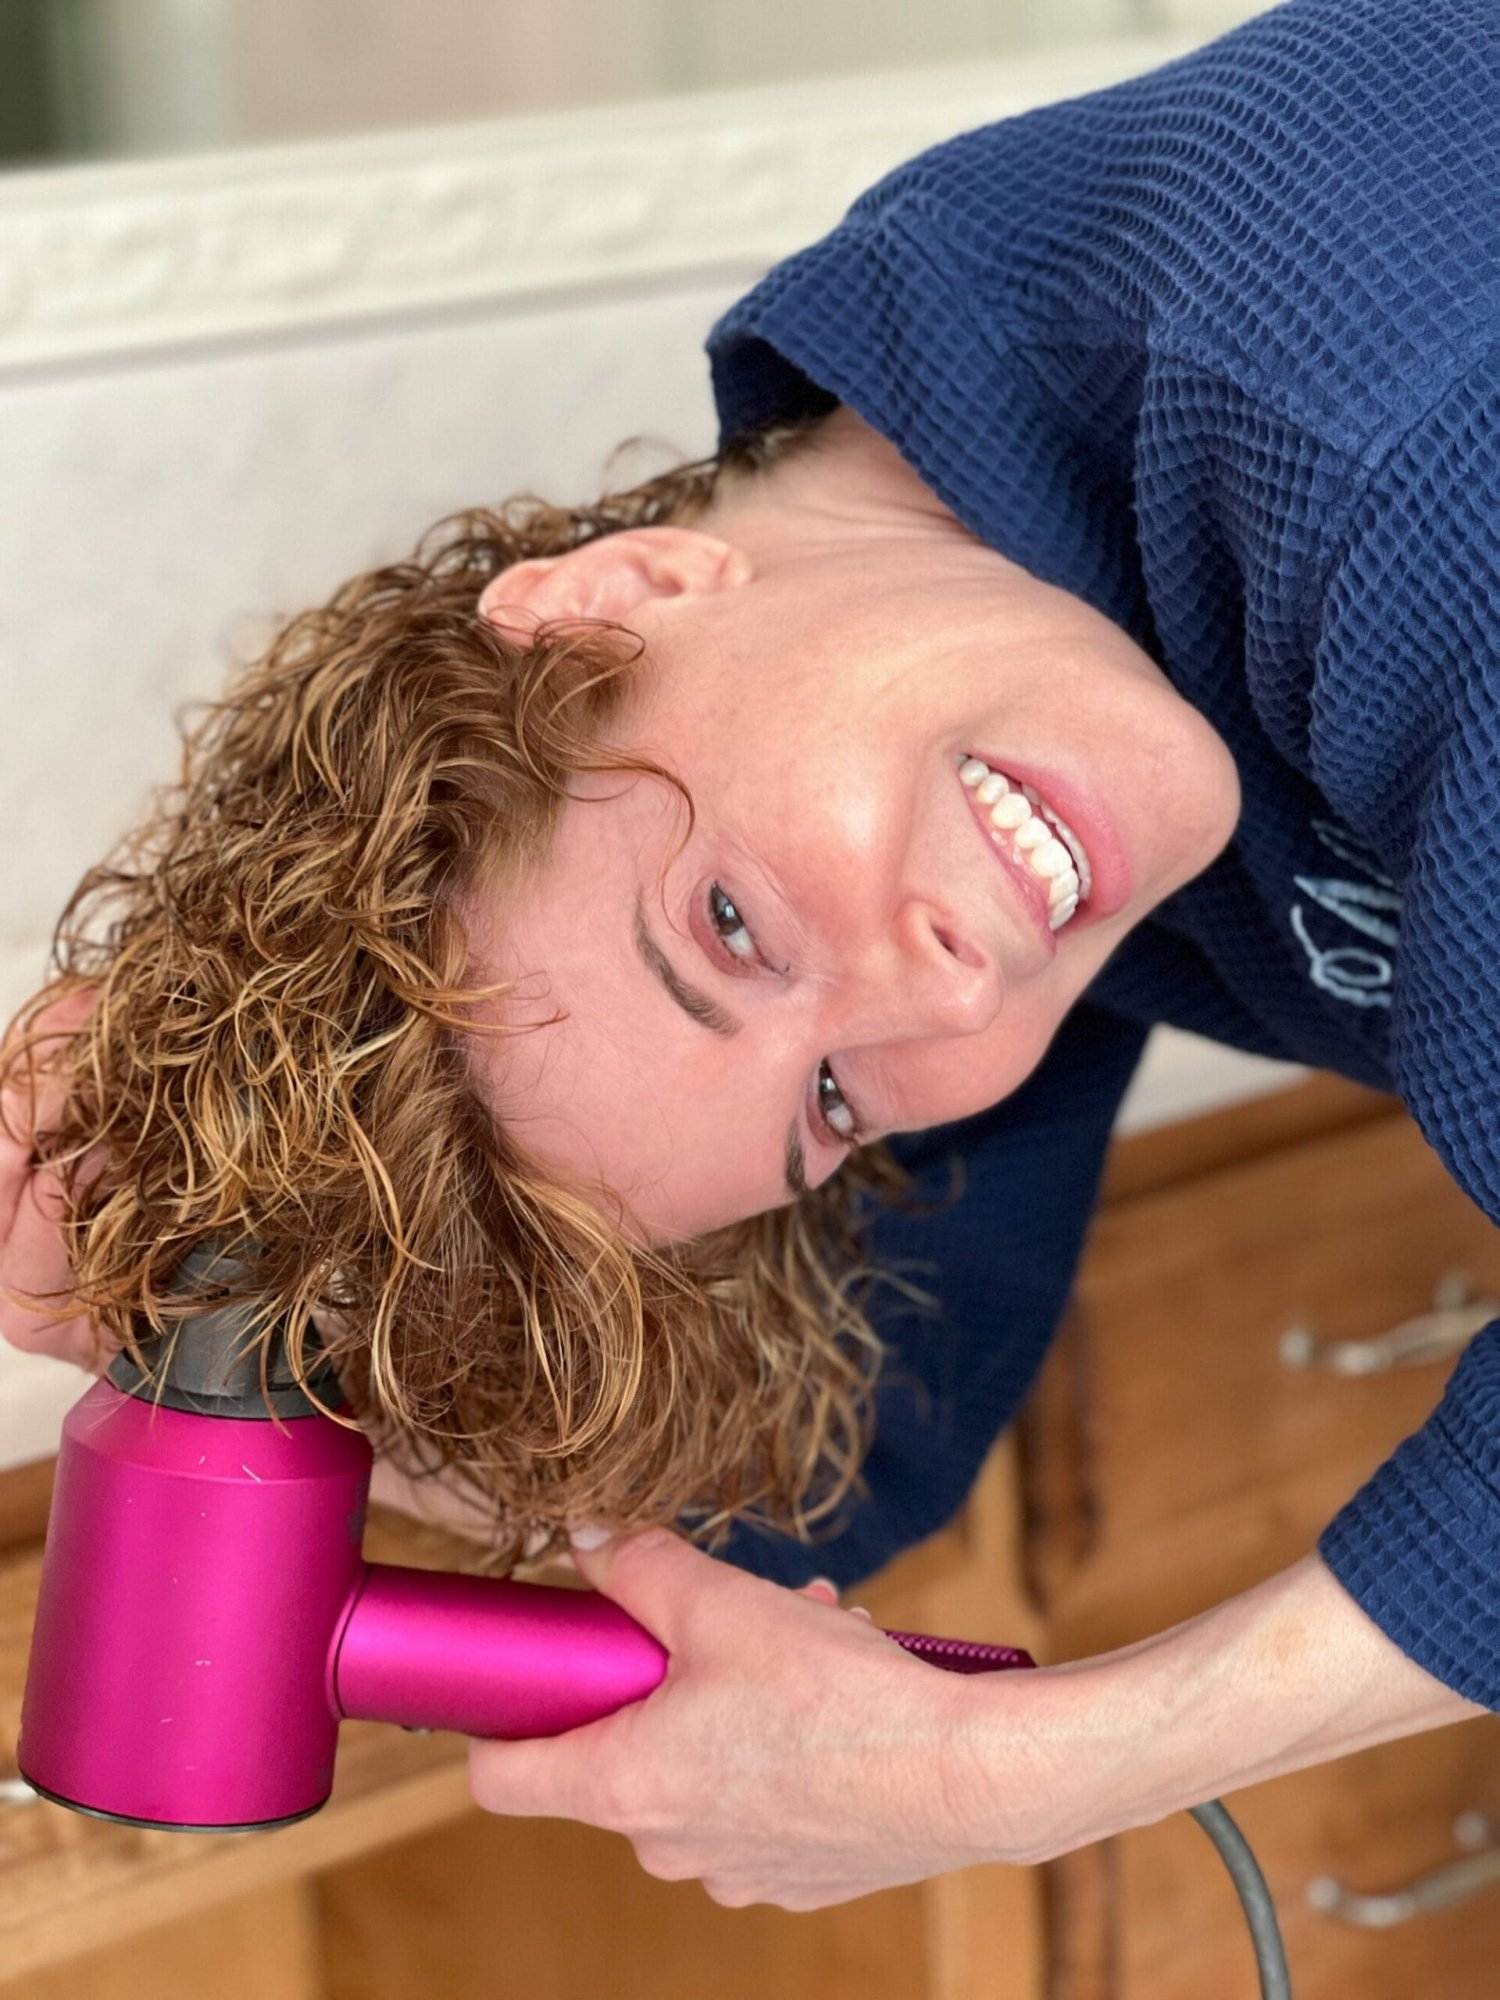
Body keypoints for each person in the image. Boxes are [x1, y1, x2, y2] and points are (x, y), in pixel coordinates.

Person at [3, 0, 1496, 1912]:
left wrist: (1034, 1770)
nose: (946, 990)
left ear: (621, 598)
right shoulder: (981, 603)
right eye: (826, 1106)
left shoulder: (1393, 421)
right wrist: (252, 1353)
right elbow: (857, 1433)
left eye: (727, 924)